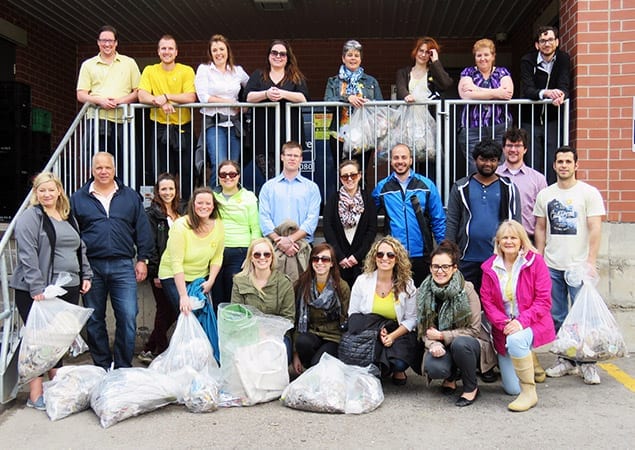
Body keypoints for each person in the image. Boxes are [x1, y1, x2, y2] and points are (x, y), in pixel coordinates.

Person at [10, 172, 92, 410]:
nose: (47, 194)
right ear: (36, 194)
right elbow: (27, 253)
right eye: (41, 190)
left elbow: (80, 247)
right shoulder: (30, 217)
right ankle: (35, 395)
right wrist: (37, 287)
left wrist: (86, 274)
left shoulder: (67, 217)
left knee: (57, 340)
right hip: (39, 290)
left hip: (68, 286)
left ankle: (55, 386)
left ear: (59, 191)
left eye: (51, 190)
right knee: (39, 340)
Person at [70, 152, 154, 370]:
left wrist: (142, 259)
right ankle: (102, 365)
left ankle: (122, 367)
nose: (103, 171)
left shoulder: (129, 196)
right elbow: (72, 234)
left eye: (107, 167)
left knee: (127, 316)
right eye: (99, 168)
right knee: (94, 318)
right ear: (92, 170)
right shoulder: (78, 198)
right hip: (91, 267)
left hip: (123, 264)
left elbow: (143, 230)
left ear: (115, 169)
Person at [534, 145, 606, 384]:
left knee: (584, 318)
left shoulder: (589, 193)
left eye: (568, 161)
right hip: (553, 265)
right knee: (558, 316)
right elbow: (541, 228)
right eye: (560, 161)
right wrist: (540, 260)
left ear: (576, 165)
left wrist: (591, 261)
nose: (563, 165)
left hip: (579, 266)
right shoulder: (546, 194)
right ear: (554, 166)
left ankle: (587, 363)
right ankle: (565, 360)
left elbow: (595, 228)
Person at [480, 220, 556, 411]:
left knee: (516, 340)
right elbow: (487, 302)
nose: (509, 241)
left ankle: (529, 393)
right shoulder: (489, 267)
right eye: (504, 237)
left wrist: (520, 323)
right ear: (498, 241)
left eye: (513, 237)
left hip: (531, 322)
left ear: (521, 240)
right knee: (512, 389)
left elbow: (544, 300)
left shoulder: (535, 262)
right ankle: (526, 357)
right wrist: (504, 323)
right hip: (504, 327)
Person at [417, 240, 495, 407]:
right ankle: (450, 376)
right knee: (435, 367)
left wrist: (443, 336)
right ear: (430, 268)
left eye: (445, 266)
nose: (440, 271)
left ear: (454, 268)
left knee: (460, 345)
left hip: (469, 343)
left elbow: (474, 330)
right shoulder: (423, 292)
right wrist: (432, 344)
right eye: (436, 266)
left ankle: (471, 387)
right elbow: (424, 329)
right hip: (440, 344)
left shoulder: (467, 290)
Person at [446, 138, 521, 294]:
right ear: (475, 160)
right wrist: (449, 253)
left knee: (497, 304)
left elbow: (516, 223)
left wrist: (515, 253)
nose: (488, 164)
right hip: (466, 257)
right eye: (483, 159)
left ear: (499, 162)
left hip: (498, 258)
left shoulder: (509, 188)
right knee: (466, 303)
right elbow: (452, 221)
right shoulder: (461, 187)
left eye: (492, 160)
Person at [347, 236, 421, 386]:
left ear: (397, 258)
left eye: (390, 255)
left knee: (399, 363)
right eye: (380, 254)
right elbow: (353, 313)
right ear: (374, 258)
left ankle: (397, 369)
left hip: (397, 331)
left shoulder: (408, 285)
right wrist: (377, 329)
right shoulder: (362, 281)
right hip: (369, 329)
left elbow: (412, 319)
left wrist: (392, 336)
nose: (385, 258)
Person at [372, 143, 446, 286]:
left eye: (404, 157)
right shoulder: (382, 188)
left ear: (411, 160)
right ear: (391, 161)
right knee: (397, 297)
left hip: (422, 253)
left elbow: (438, 219)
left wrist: (444, 249)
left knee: (421, 298)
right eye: (396, 158)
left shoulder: (426, 185)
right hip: (394, 254)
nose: (400, 161)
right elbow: (368, 216)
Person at [76, 25, 140, 176]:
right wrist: (99, 101)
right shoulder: (88, 64)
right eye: (103, 40)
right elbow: (81, 94)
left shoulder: (129, 63)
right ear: (98, 42)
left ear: (116, 43)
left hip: (123, 119)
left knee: (125, 162)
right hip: (98, 119)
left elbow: (138, 91)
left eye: (110, 41)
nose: (107, 44)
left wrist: (120, 101)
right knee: (97, 162)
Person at [138, 34, 197, 198]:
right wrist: (160, 102)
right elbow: (142, 95)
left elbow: (190, 96)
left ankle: (186, 209)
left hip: (182, 128)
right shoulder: (150, 70)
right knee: (162, 173)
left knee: (187, 172)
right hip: (160, 128)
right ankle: (162, 211)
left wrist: (166, 97)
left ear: (176, 52)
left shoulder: (186, 70)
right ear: (158, 52)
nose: (167, 51)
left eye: (170, 48)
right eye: (163, 48)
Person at [244, 40, 309, 188]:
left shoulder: (295, 76)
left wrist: (283, 93)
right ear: (268, 56)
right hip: (263, 135)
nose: (278, 56)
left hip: (290, 133)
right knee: (271, 177)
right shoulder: (259, 75)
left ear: (288, 57)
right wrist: (266, 94)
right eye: (274, 52)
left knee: (291, 175)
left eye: (282, 54)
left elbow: (303, 97)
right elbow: (248, 96)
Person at [258, 141, 321, 281]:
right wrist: (280, 241)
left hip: (302, 247)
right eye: (289, 155)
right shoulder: (269, 187)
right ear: (282, 157)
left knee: (302, 292)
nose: (292, 158)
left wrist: (290, 240)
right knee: (274, 290)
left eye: (296, 156)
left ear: (301, 159)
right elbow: (264, 218)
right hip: (274, 247)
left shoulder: (311, 188)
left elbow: (311, 220)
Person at [138, 173, 182, 364]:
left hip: (179, 268)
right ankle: (161, 351)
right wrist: (155, 273)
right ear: (157, 191)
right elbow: (151, 244)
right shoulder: (151, 214)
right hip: (161, 270)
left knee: (173, 310)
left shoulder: (182, 211)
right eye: (163, 189)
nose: (167, 192)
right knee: (165, 310)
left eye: (171, 188)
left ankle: (150, 347)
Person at [158, 187, 224, 315]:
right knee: (187, 313)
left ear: (213, 206)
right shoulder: (180, 226)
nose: (204, 206)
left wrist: (211, 281)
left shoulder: (219, 225)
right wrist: (183, 296)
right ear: (193, 204)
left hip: (199, 276)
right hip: (173, 275)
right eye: (199, 203)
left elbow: (217, 256)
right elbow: (176, 263)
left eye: (208, 203)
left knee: (199, 314)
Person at [195, 34, 249, 188]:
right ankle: (214, 202)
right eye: (215, 50)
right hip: (214, 123)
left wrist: (244, 105)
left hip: (234, 124)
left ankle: (230, 204)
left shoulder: (237, 71)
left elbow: (252, 87)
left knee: (233, 168)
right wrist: (230, 102)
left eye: (221, 49)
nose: (219, 53)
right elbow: (204, 97)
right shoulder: (204, 70)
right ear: (210, 53)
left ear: (228, 51)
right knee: (220, 165)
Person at [520, 26, 571, 183]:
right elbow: (528, 89)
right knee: (532, 160)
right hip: (531, 119)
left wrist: (560, 95)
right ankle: (534, 196)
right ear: (537, 45)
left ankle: (551, 195)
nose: (546, 44)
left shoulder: (563, 59)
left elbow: (564, 84)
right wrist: (546, 93)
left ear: (557, 42)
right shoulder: (527, 60)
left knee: (552, 159)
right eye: (542, 41)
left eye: (550, 40)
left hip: (553, 119)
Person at [231, 238, 295, 360]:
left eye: (266, 254)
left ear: (272, 257)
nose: (262, 258)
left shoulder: (284, 283)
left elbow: (289, 318)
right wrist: (256, 332)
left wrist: (269, 333)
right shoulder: (239, 281)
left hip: (278, 336)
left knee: (270, 356)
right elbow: (236, 314)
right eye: (257, 254)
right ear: (251, 258)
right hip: (247, 334)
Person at [457, 38, 513, 175]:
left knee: (499, 164)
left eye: (486, 54)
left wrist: (475, 90)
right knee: (474, 165)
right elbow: (465, 95)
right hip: (472, 126)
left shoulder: (502, 72)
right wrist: (497, 93)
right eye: (479, 55)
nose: (483, 58)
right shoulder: (468, 72)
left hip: (499, 125)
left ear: (493, 56)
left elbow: (508, 93)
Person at [292, 243, 350, 374]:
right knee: (302, 342)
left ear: (332, 263)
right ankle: (314, 370)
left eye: (325, 259)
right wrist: (295, 355)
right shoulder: (302, 284)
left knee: (317, 364)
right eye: (315, 259)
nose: (319, 262)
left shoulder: (341, 287)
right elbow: (296, 320)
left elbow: (346, 318)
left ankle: (315, 371)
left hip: (333, 337)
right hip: (312, 333)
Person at [324, 39, 383, 169]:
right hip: (339, 135)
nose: (353, 58)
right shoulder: (334, 81)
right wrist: (347, 98)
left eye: (356, 55)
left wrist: (370, 104)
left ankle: (361, 190)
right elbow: (327, 102)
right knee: (340, 171)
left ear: (361, 59)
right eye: (349, 55)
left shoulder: (371, 81)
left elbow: (381, 106)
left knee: (361, 171)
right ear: (343, 58)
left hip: (364, 134)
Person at [211, 160, 261, 310]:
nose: (228, 177)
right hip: (216, 252)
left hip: (240, 252)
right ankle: (218, 332)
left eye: (232, 174)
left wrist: (251, 255)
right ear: (218, 177)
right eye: (223, 174)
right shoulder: (212, 197)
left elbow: (255, 228)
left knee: (234, 296)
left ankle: (233, 331)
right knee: (217, 297)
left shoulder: (249, 197)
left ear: (239, 176)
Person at [322, 159, 377, 288]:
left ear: (360, 175)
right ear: (341, 179)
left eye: (353, 175)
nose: (349, 179)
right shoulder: (333, 200)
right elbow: (328, 228)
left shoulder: (368, 199)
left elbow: (371, 229)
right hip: (339, 261)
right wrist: (340, 256)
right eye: (345, 176)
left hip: (362, 261)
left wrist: (357, 256)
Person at [496, 127, 548, 241]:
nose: (513, 149)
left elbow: (543, 217)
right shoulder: (494, 175)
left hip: (528, 240)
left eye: (518, 146)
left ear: (525, 149)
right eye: (509, 145)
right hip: (498, 240)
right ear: (503, 148)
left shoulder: (538, 179)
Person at [396, 36, 453, 102]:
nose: (423, 55)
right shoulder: (403, 73)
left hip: (428, 111)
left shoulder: (433, 73)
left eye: (427, 52)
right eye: (421, 51)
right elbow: (401, 89)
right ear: (415, 51)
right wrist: (406, 95)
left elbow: (446, 84)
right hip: (407, 110)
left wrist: (435, 61)